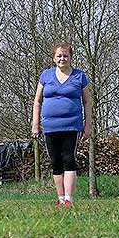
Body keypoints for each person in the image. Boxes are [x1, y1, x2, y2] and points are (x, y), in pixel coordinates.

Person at [32, 42, 92, 207]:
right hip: (50, 125)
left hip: (71, 125)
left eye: (66, 55)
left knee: (68, 158)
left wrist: (88, 125)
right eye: (59, 55)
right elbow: (37, 101)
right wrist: (35, 124)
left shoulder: (80, 76)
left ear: (71, 57)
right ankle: (60, 198)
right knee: (55, 161)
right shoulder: (46, 75)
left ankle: (68, 199)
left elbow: (87, 102)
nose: (62, 58)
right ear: (54, 58)